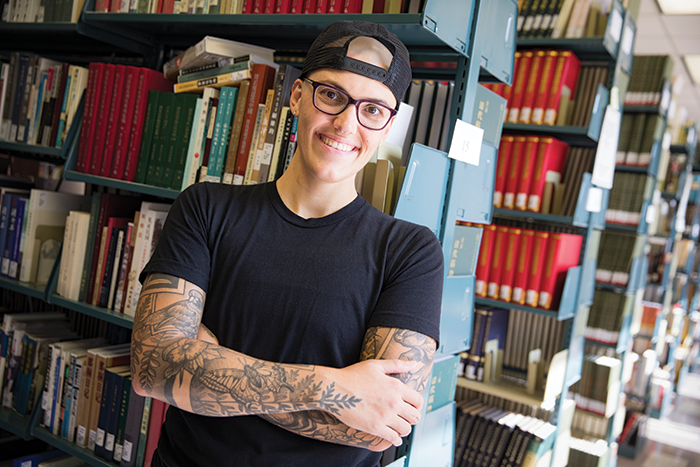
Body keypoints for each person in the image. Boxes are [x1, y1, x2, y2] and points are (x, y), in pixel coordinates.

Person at [131, 20, 444, 467]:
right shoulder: (205, 207)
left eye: (372, 110)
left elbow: (378, 428)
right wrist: (329, 388)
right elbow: (153, 367)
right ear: (297, 96)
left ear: (388, 126)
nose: (346, 123)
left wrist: (212, 363)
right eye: (332, 95)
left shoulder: (410, 253)